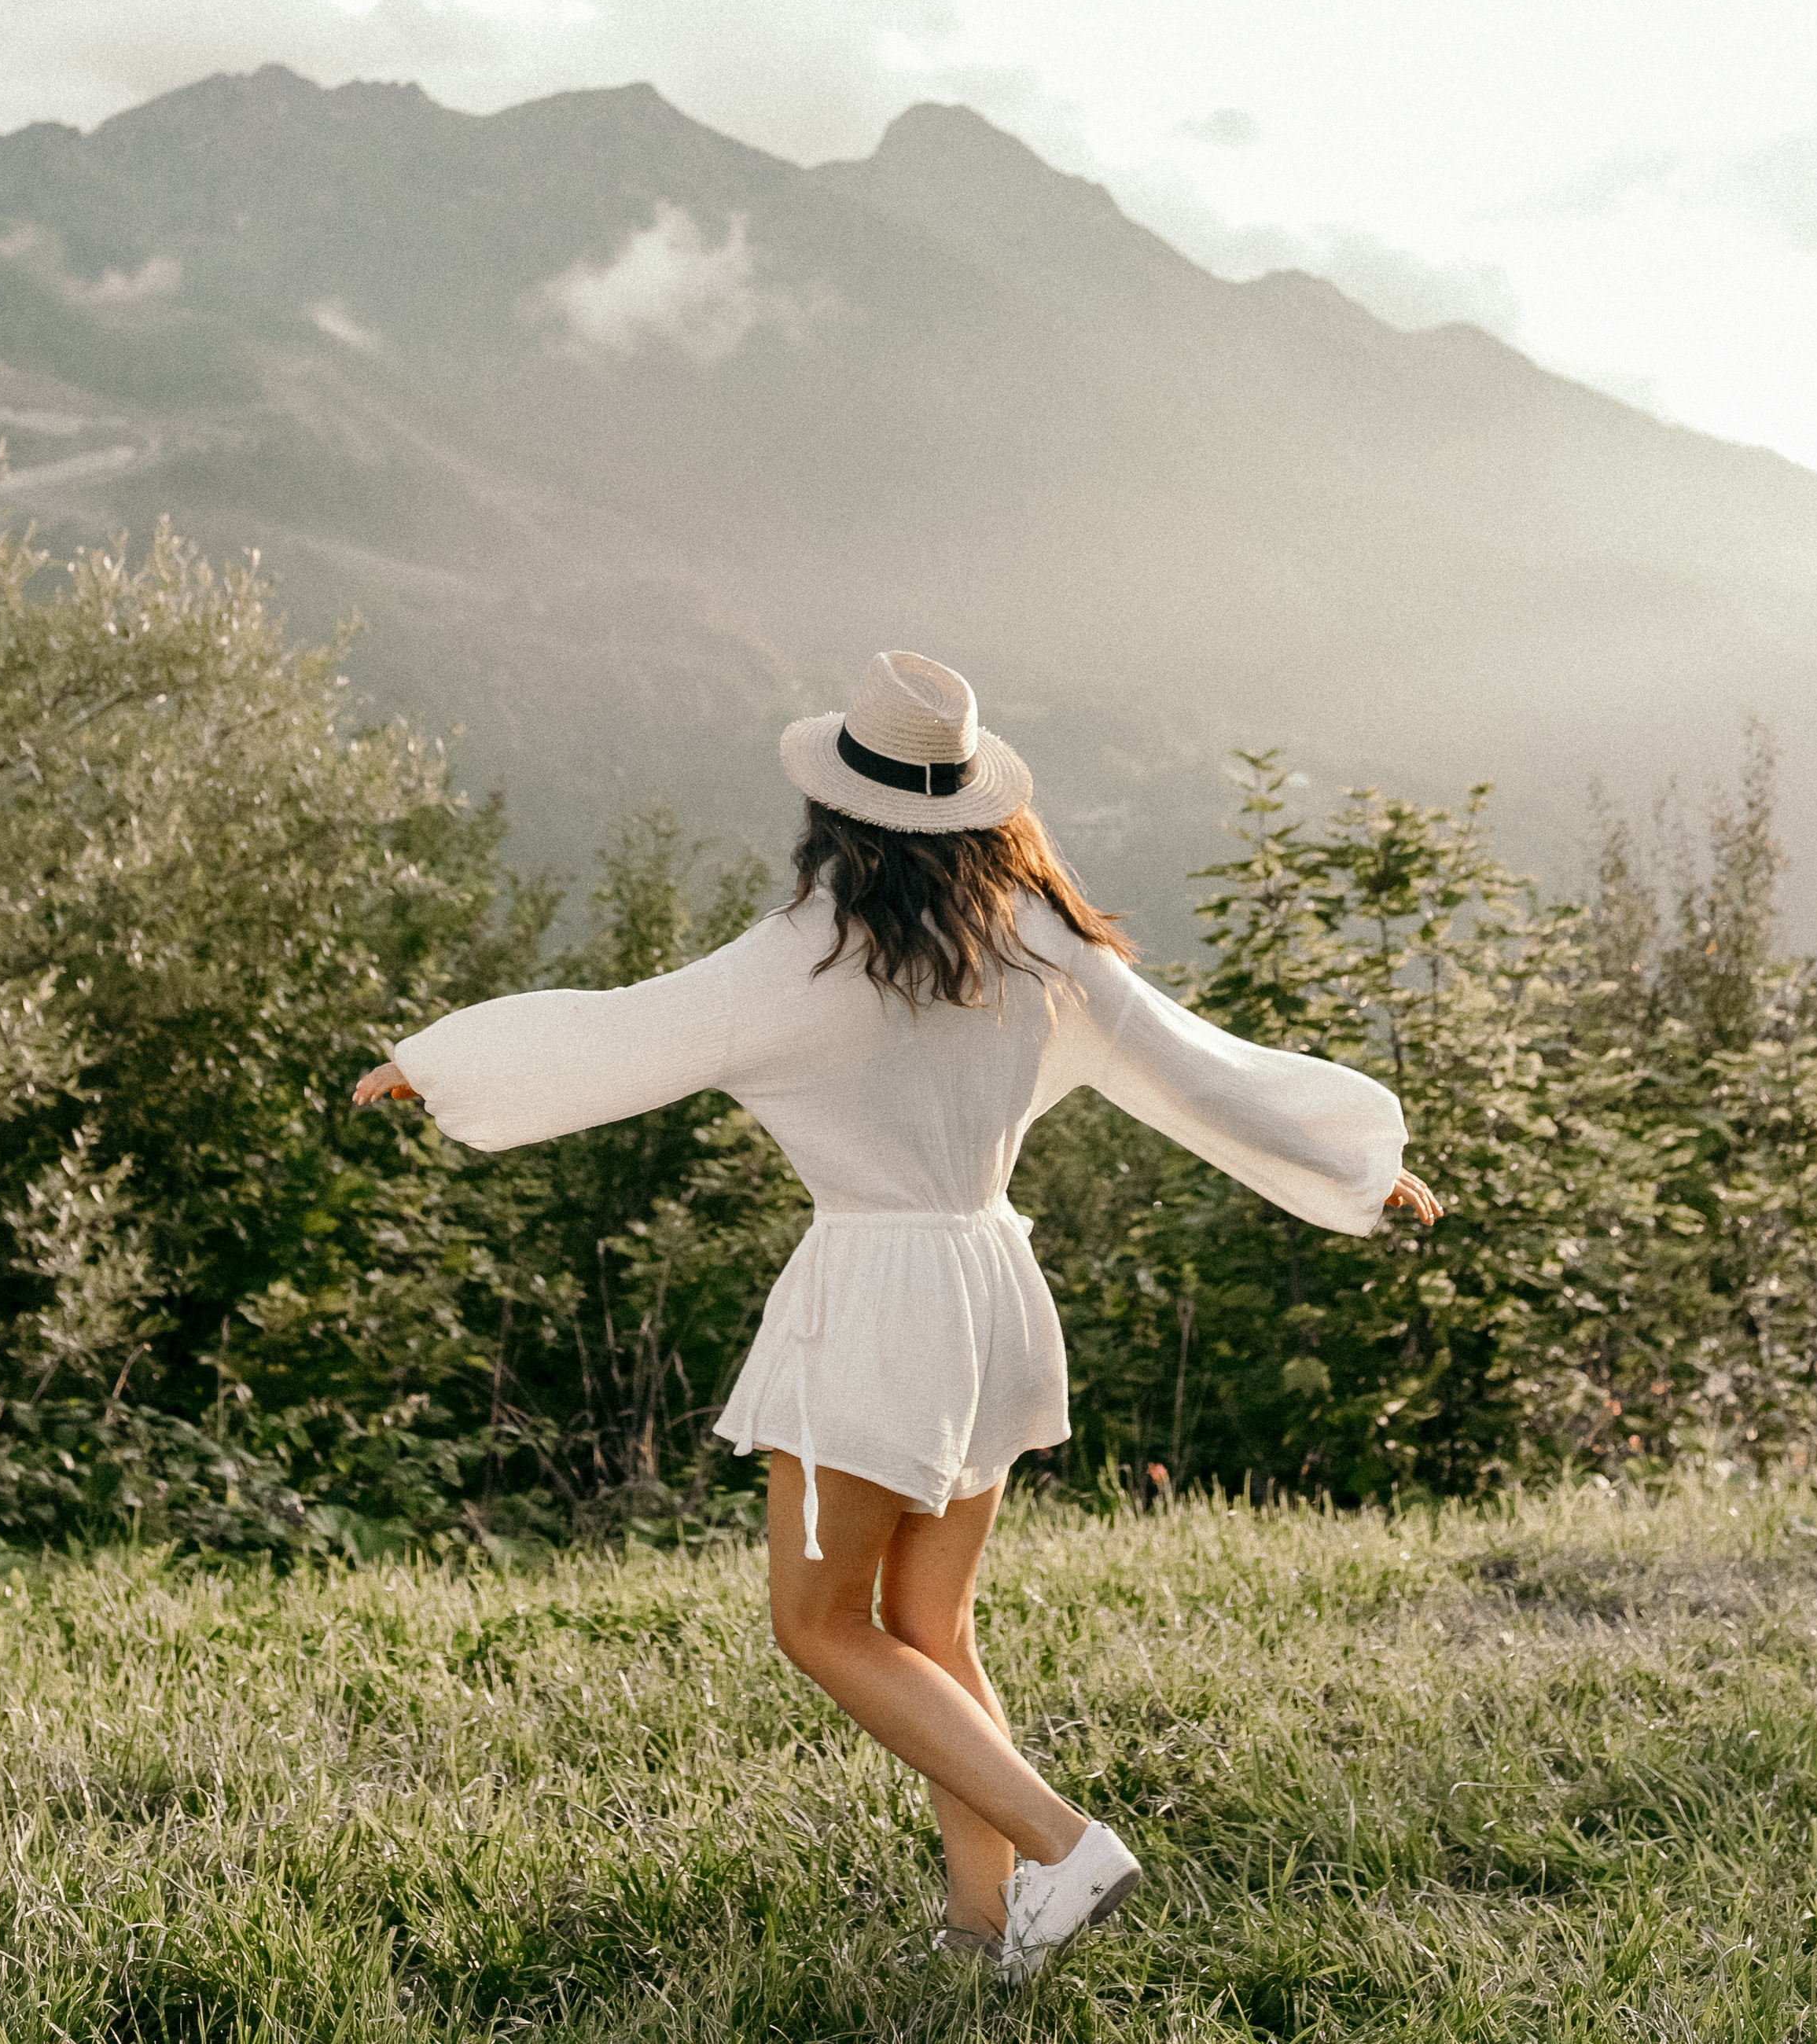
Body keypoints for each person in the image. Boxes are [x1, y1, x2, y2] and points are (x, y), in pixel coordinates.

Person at [354, 649, 1438, 1978]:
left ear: (836, 810)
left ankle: (1061, 1844)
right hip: (989, 1292)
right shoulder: (1043, 942)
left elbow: (619, 1032)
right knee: (931, 1631)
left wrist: (436, 1068)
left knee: (818, 1625)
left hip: (873, 1307)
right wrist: (1361, 1167)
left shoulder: (797, 960)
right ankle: (986, 1933)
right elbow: (1199, 1068)